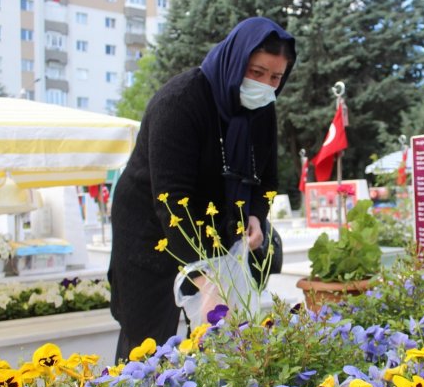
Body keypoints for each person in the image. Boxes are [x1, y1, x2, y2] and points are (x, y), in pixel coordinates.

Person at [108, 18, 296, 362]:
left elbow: (266, 179)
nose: (265, 85)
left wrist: (255, 214)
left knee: (225, 340)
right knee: (149, 347)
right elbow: (172, 201)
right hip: (151, 232)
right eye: (256, 72)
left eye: (275, 77)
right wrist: (203, 278)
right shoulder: (179, 102)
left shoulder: (261, 110)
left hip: (216, 228)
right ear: (236, 61)